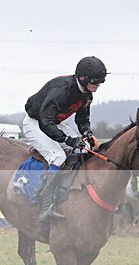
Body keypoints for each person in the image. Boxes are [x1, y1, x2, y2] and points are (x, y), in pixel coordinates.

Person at [23, 56, 108, 221]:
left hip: (53, 122)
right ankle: (45, 205)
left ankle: (65, 190)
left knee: (83, 147)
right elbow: (45, 122)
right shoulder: (61, 89)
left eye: (100, 82)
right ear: (83, 78)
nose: (97, 86)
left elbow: (82, 120)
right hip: (35, 123)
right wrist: (68, 140)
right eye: (95, 82)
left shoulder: (87, 95)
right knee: (58, 156)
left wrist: (87, 134)